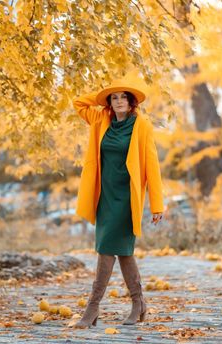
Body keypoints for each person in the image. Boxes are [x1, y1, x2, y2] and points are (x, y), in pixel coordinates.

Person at [72, 77, 164, 328]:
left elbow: (152, 165)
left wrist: (157, 204)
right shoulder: (101, 119)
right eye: (114, 98)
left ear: (131, 101)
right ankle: (139, 303)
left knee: (106, 248)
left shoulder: (141, 125)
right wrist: (102, 96)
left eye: (124, 97)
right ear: (109, 103)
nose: (119, 101)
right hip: (105, 194)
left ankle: (92, 308)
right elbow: (78, 103)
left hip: (127, 197)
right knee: (123, 252)